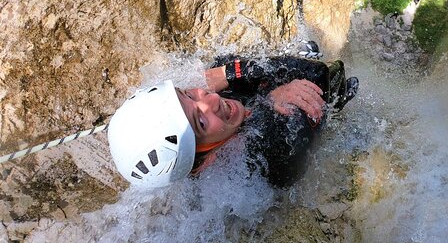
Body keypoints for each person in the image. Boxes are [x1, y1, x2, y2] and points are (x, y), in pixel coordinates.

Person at [107, 46, 358, 189]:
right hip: (297, 141)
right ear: (205, 161)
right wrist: (271, 97)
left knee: (228, 63)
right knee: (324, 82)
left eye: (188, 94)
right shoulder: (274, 146)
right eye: (200, 121)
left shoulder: (204, 155)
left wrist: (226, 71)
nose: (211, 100)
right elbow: (320, 74)